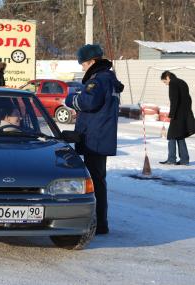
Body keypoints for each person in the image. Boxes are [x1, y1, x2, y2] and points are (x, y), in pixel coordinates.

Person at [65, 44, 124, 235]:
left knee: (95, 181)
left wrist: (71, 99)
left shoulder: (98, 80)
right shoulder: (108, 78)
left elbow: (89, 102)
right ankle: (100, 221)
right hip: (100, 135)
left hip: (95, 137)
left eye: (83, 64)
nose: (82, 68)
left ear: (91, 62)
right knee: (97, 179)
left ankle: (99, 223)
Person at [159, 71, 195, 165]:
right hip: (185, 114)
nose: (166, 84)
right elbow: (189, 99)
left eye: (164, 82)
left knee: (171, 136)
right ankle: (184, 159)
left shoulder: (173, 83)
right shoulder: (182, 82)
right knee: (180, 135)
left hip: (177, 114)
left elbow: (174, 100)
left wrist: (171, 115)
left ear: (167, 77)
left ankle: (171, 159)